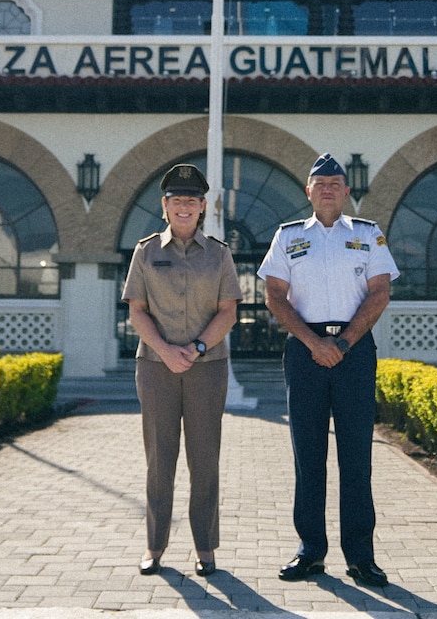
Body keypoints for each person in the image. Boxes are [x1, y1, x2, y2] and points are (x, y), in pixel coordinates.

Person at [258, 153, 399, 588]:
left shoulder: (368, 234)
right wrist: (315, 343)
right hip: (305, 353)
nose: (328, 189)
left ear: (347, 190)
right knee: (308, 456)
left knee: (356, 457)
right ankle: (310, 552)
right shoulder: (288, 237)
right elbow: (275, 297)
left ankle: (360, 557)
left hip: (353, 351)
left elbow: (379, 292)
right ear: (308, 191)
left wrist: (341, 343)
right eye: (320, 184)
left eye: (335, 183)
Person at [121, 163, 240, 577]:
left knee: (204, 459)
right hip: (156, 368)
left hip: (208, 369)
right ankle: (155, 546)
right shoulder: (146, 251)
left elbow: (229, 311)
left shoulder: (220, 254)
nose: (184, 207)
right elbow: (137, 311)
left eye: (192, 200)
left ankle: (205, 548)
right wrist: (166, 351)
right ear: (165, 205)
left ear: (203, 206)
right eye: (177, 200)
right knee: (160, 459)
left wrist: (197, 347)